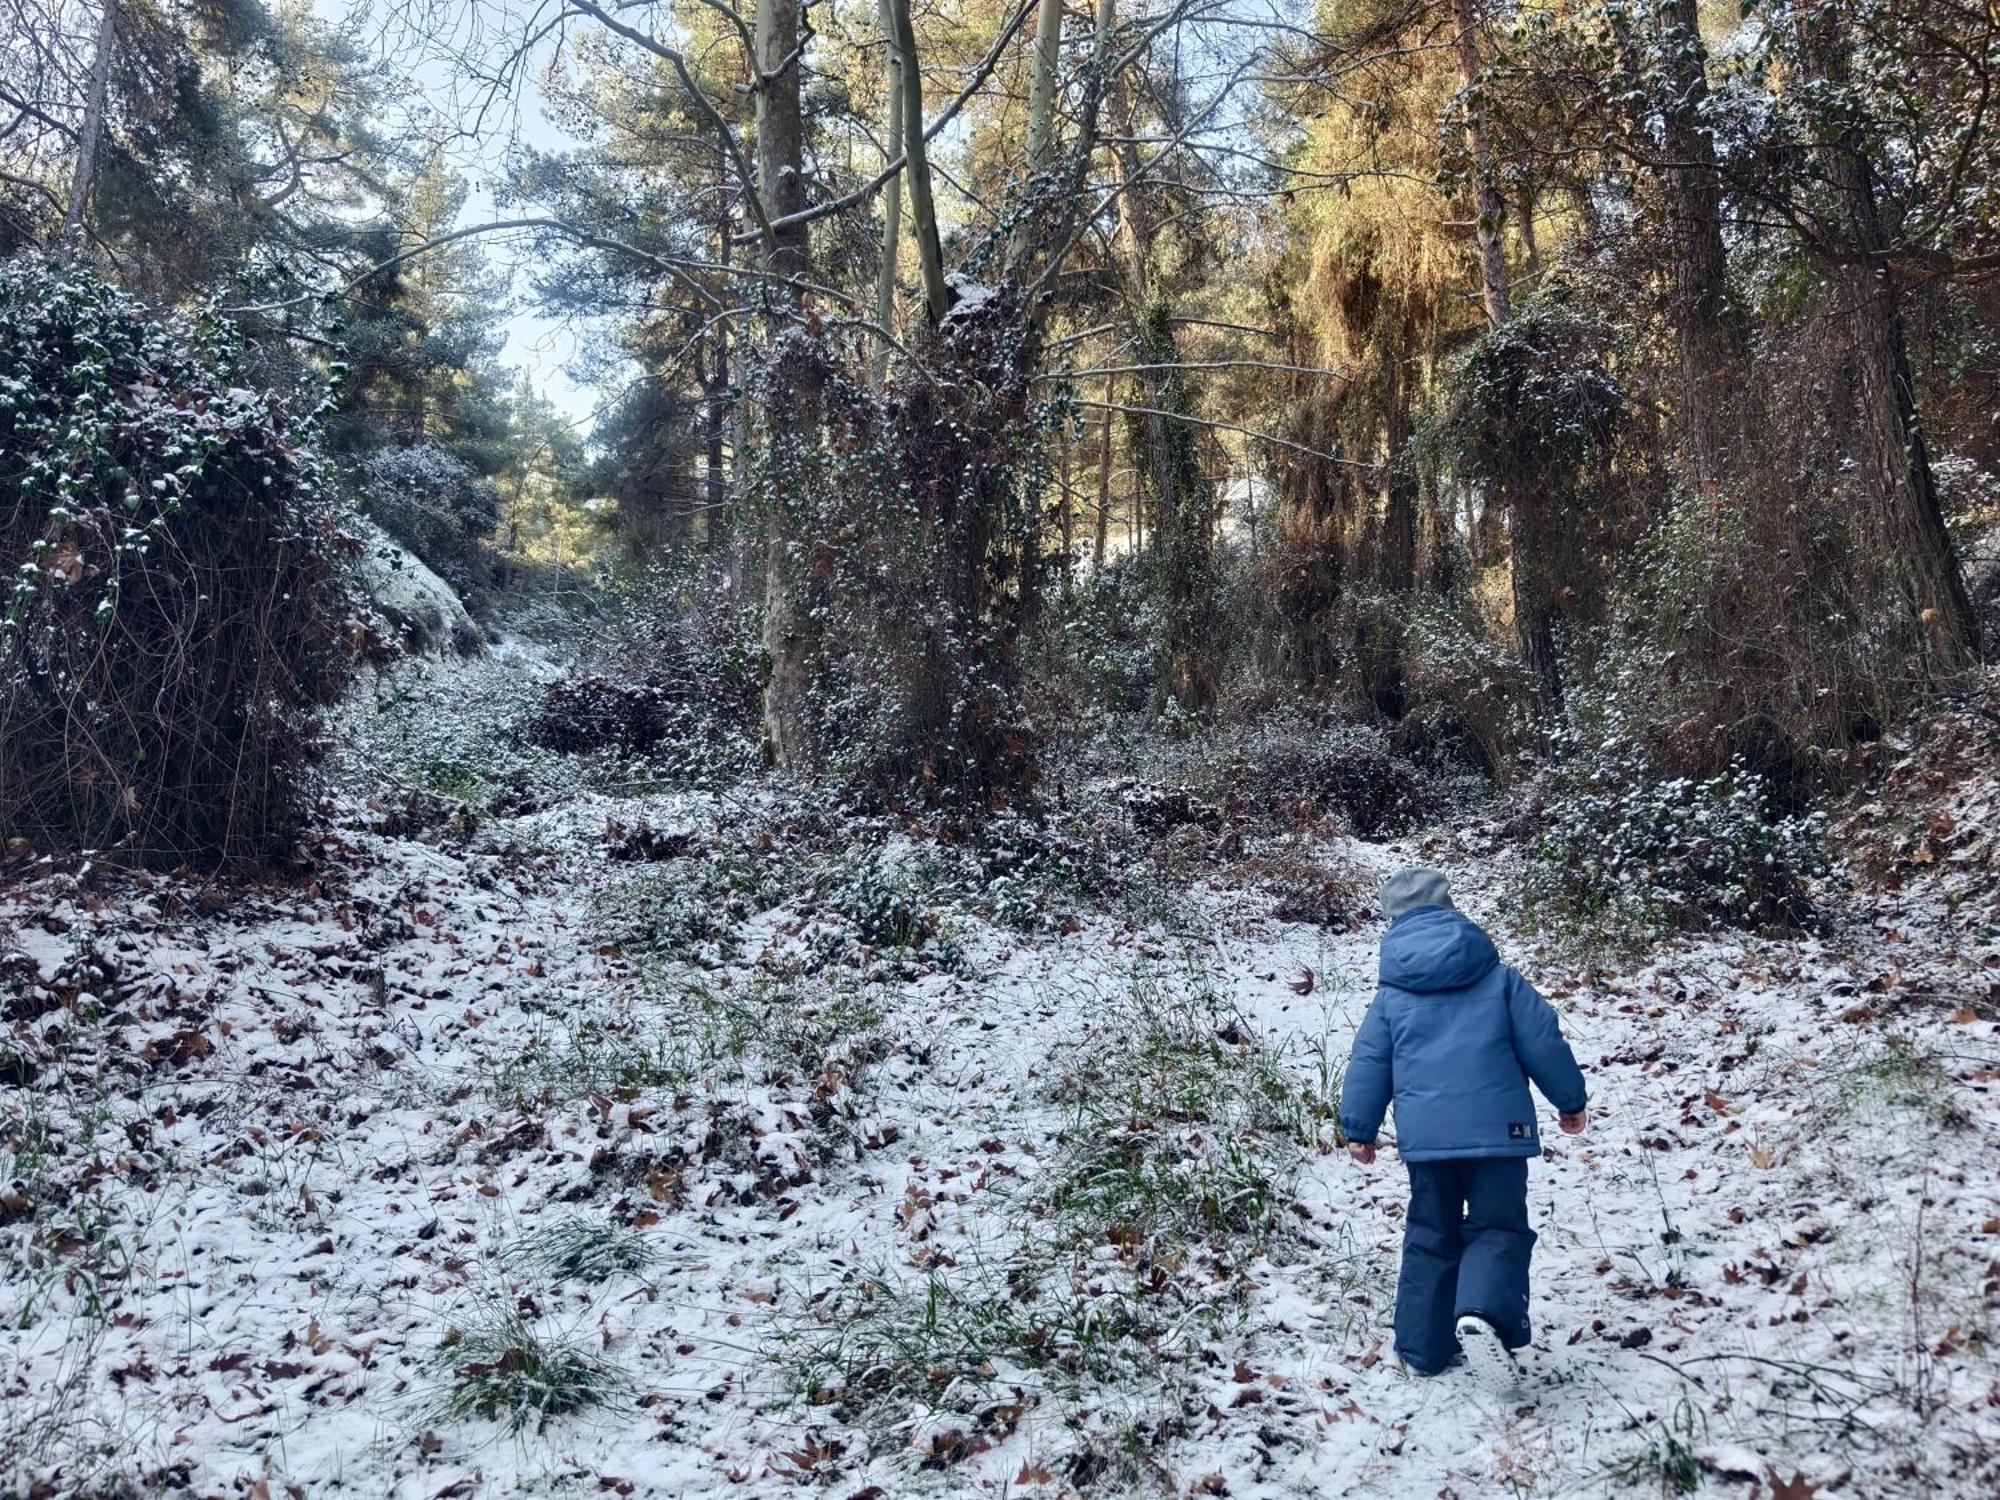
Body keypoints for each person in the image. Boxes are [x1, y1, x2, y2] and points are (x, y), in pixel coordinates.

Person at [1337, 868, 1588, 1389]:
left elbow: (1369, 1060)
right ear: (1451, 908)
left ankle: (1423, 1348)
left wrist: (1359, 1128)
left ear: (1393, 920)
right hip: (1501, 1135)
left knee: (1431, 1232)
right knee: (1498, 1225)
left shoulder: (1392, 993)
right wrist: (1569, 1100)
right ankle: (1482, 1313)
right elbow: (1543, 1041)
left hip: (1428, 1142)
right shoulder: (1498, 978)